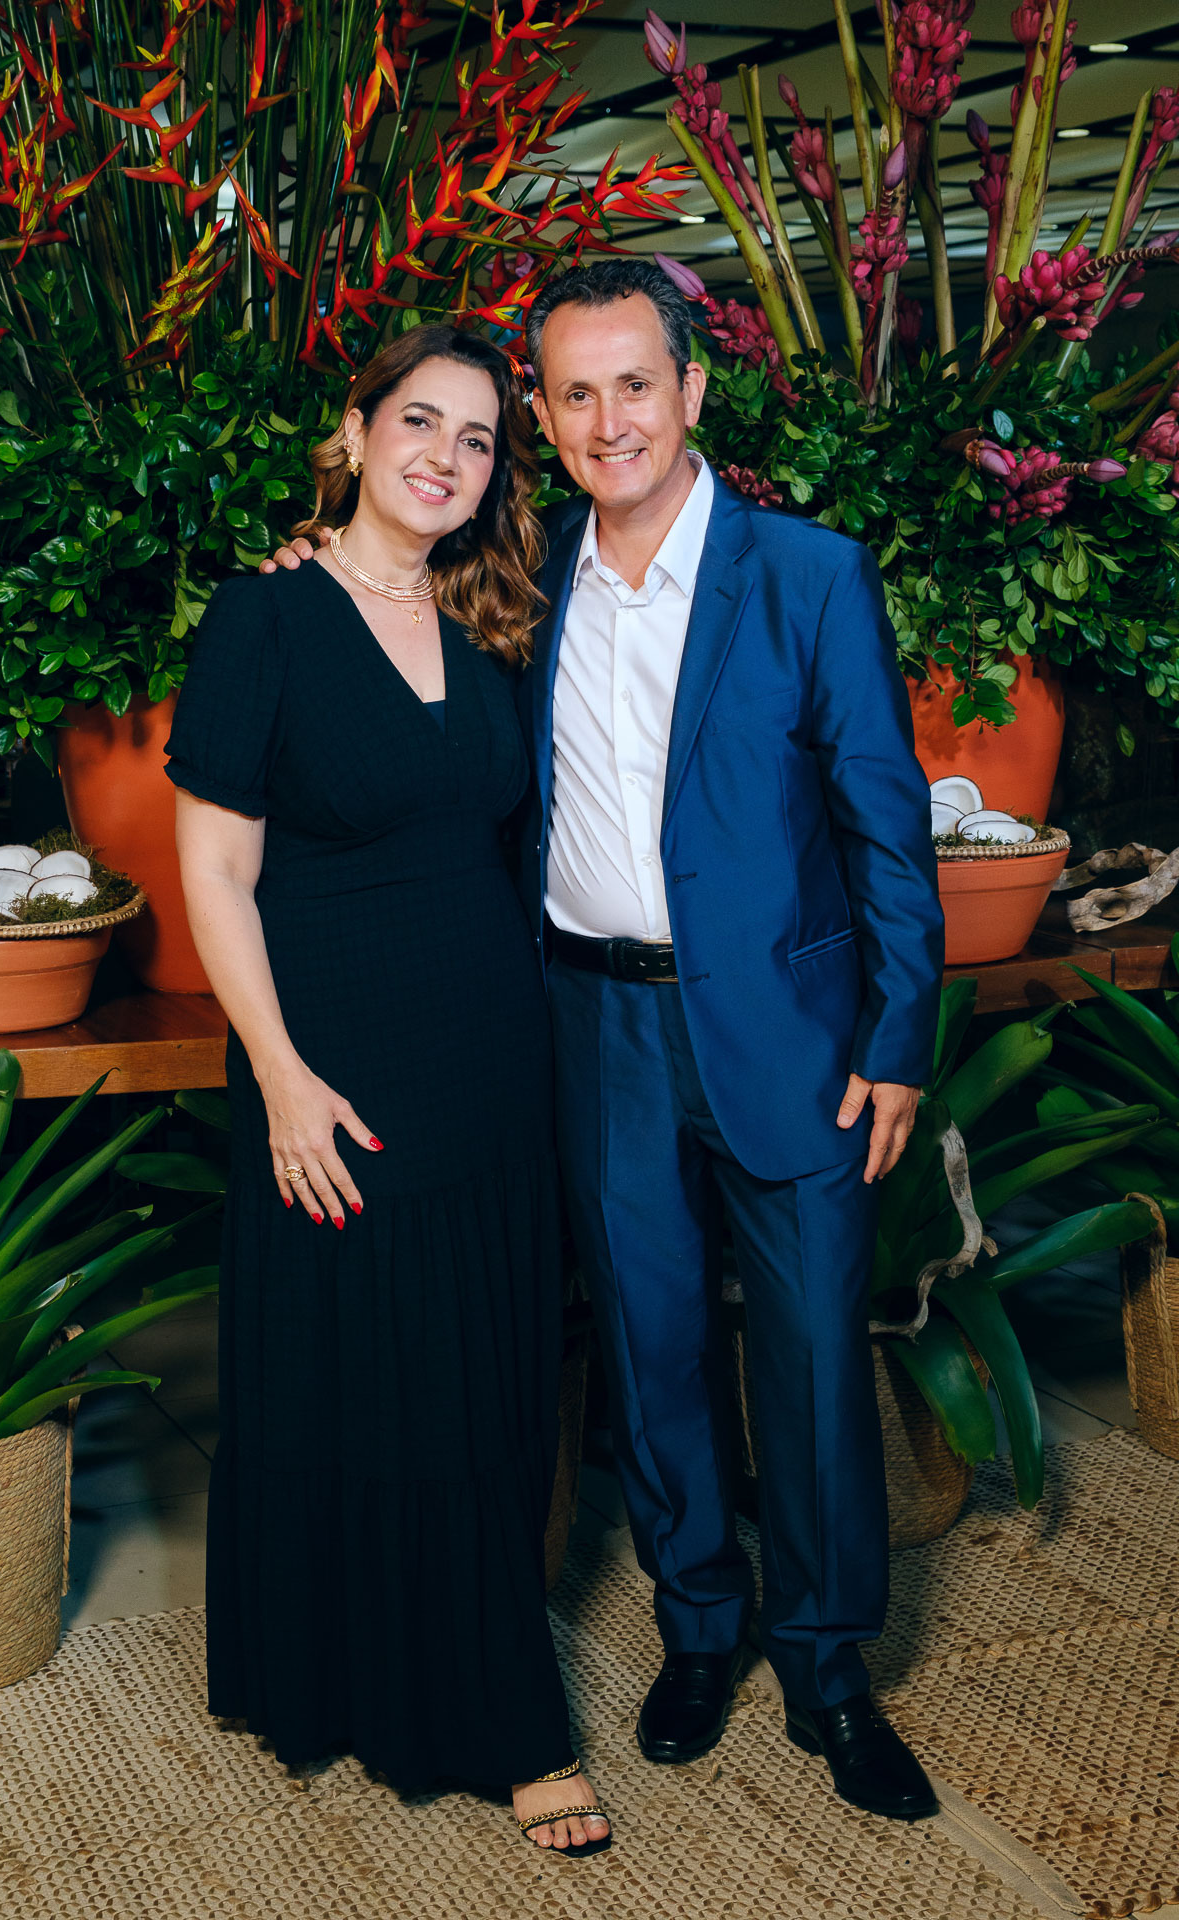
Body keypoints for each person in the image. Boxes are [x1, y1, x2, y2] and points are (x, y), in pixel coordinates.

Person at [268, 260, 945, 1823]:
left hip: (789, 1029)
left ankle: (828, 1666)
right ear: (547, 421)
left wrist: (899, 1035)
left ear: (691, 391)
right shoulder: (515, 577)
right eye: (573, 395)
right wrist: (314, 552)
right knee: (649, 1350)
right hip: (588, 1021)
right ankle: (699, 1628)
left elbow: (887, 825)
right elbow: (379, 607)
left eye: (634, 384)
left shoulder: (809, 576)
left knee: (812, 1359)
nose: (606, 420)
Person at [167, 325, 611, 1856]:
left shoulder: (495, 617)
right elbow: (215, 874)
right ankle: (467, 1714)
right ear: (357, 435)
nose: (447, 456)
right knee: (357, 1373)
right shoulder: (264, 616)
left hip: (491, 1058)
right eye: (420, 421)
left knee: (490, 1381)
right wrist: (282, 1079)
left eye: (479, 439)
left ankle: (479, 1674)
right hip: (333, 1062)